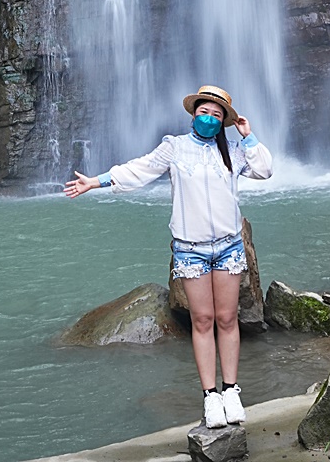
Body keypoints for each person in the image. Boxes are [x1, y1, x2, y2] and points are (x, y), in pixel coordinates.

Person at [64, 83, 272, 430]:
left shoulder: (233, 152)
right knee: (202, 321)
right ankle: (210, 395)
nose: (209, 119)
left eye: (216, 116)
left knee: (227, 319)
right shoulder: (174, 148)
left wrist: (248, 136)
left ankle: (232, 390)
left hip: (228, 247)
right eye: (204, 112)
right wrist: (96, 182)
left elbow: (264, 170)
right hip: (190, 251)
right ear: (193, 114)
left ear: (223, 123)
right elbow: (138, 170)